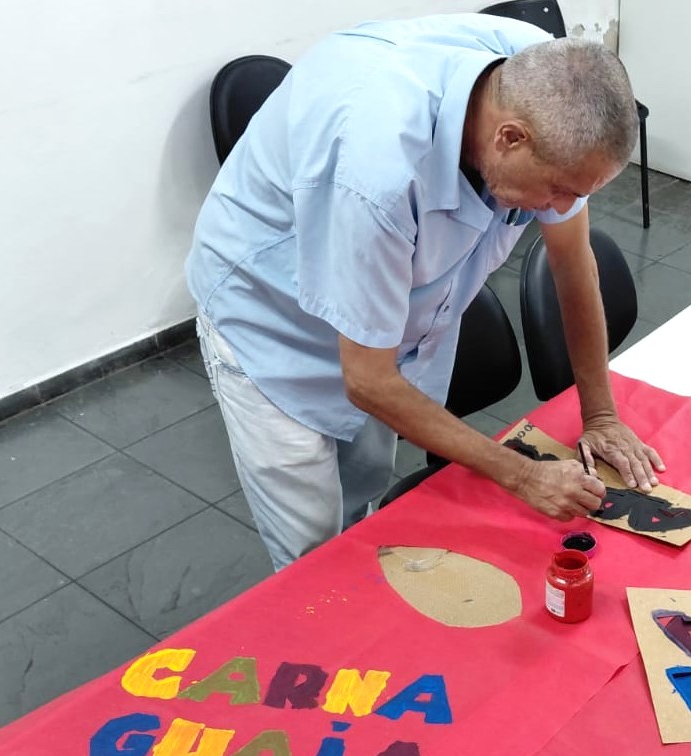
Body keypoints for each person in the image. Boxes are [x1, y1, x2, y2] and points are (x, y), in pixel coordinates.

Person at [186, 14, 664, 570]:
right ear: (509, 138)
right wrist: (523, 475)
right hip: (271, 319)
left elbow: (574, 265)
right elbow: (368, 380)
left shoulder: (547, 84)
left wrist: (601, 415)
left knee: (363, 495)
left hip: (379, 308)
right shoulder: (379, 169)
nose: (561, 208)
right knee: (313, 552)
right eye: (558, 190)